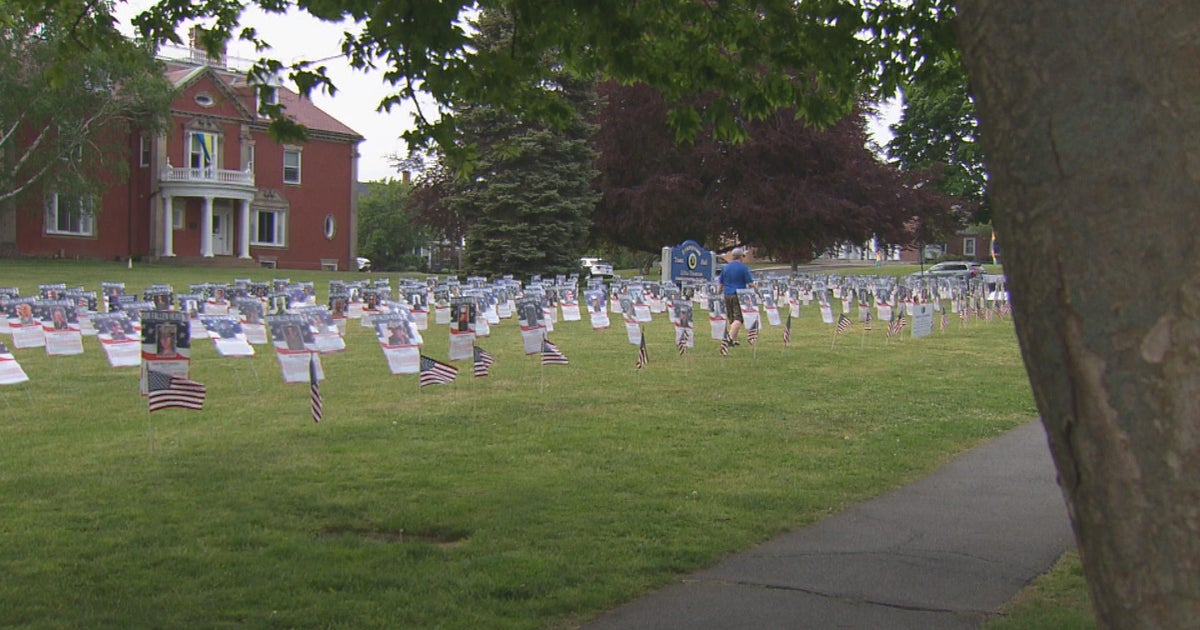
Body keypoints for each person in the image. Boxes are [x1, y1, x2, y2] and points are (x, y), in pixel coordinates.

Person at [717, 247, 755, 345]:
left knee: (732, 318)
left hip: (727, 294)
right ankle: (729, 338)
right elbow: (750, 283)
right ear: (741, 257)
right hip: (738, 294)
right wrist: (758, 293)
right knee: (739, 318)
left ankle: (735, 339)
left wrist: (717, 295)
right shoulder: (743, 268)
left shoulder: (725, 268)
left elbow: (720, 284)